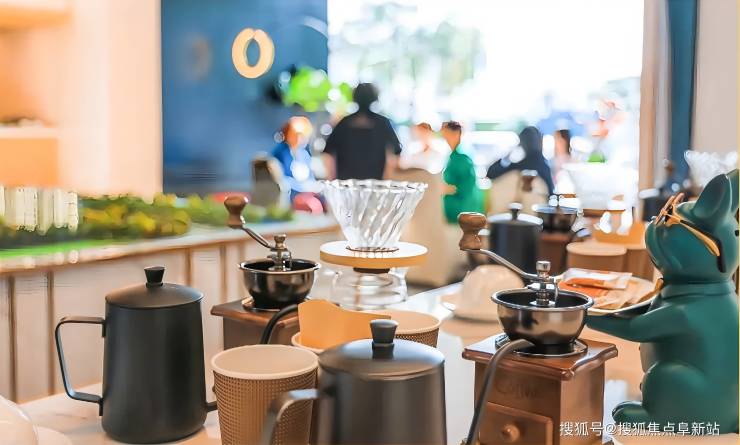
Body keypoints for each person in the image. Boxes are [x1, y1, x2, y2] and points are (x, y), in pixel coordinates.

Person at [323, 83, 401, 180]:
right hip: (374, 183)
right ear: (375, 97)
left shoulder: (344, 123)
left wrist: (331, 178)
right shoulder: (382, 123)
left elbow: (328, 152)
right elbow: (396, 151)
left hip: (347, 184)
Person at [487, 126, 555, 195]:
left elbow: (491, 173)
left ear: (522, 143)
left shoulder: (517, 167)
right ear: (540, 143)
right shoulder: (545, 168)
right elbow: (551, 193)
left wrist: (508, 155)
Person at [440, 121, 483, 223]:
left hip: (463, 208)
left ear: (456, 134)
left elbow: (467, 186)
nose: (446, 138)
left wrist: (448, 188)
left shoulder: (462, 157)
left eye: (447, 134)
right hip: (457, 209)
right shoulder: (454, 155)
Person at [270, 116, 318, 200]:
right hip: (288, 198)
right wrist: (303, 188)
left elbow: (311, 178)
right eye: (297, 135)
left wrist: (315, 187)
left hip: (306, 197)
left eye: (303, 135)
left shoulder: (304, 154)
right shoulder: (281, 152)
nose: (300, 138)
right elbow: (281, 180)